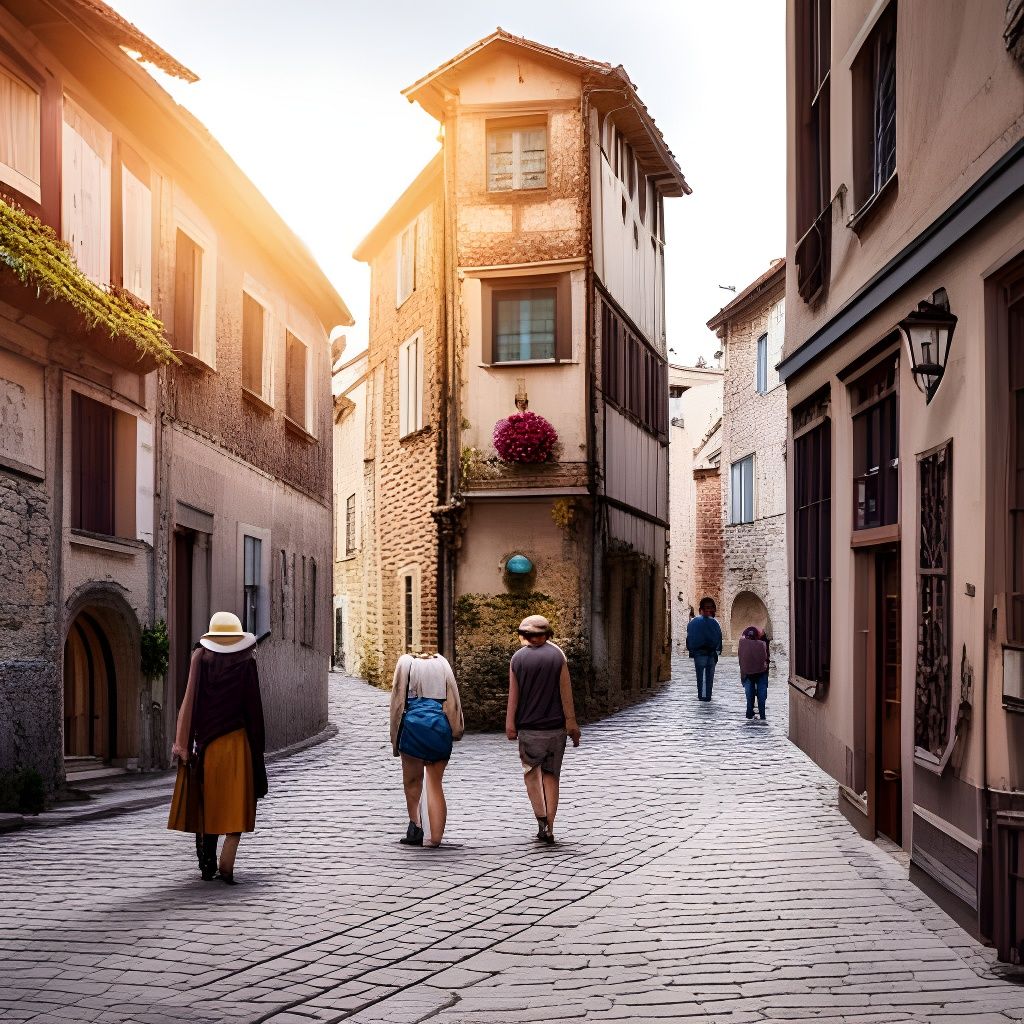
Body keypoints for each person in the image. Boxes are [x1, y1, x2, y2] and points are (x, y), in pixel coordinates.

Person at [168, 611, 267, 885]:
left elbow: (191, 703)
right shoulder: (247, 666)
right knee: (237, 801)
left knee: (209, 803)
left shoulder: (200, 663)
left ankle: (207, 863)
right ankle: (228, 860)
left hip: (209, 746)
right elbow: (254, 712)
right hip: (239, 744)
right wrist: (258, 750)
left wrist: (191, 743)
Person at [506, 615, 581, 845]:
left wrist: (510, 725)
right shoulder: (558, 656)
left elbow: (514, 697)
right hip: (555, 728)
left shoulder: (517, 659)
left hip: (529, 729)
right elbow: (566, 695)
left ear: (525, 635)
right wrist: (572, 726)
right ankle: (551, 823)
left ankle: (541, 821)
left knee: (531, 774)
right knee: (552, 776)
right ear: (548, 634)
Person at [390, 649, 464, 848]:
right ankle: (436, 838)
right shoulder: (443, 664)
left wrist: (394, 740)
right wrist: (456, 730)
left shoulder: (405, 663)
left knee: (412, 782)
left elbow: (397, 703)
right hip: (439, 727)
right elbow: (453, 701)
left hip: (413, 727)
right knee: (435, 783)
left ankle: (416, 827)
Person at [686, 597, 723, 702]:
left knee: (700, 674)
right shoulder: (715, 623)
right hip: (711, 653)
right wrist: (718, 650)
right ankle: (707, 695)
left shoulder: (693, 622)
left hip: (699, 653)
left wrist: (691, 650)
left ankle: (701, 695)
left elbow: (689, 637)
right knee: (709, 676)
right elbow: (718, 637)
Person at [738, 625, 770, 720]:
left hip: (747, 672)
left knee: (749, 695)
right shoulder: (762, 644)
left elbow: (740, 658)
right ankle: (762, 714)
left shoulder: (742, 643)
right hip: (762, 671)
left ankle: (749, 713)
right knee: (762, 694)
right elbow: (766, 657)